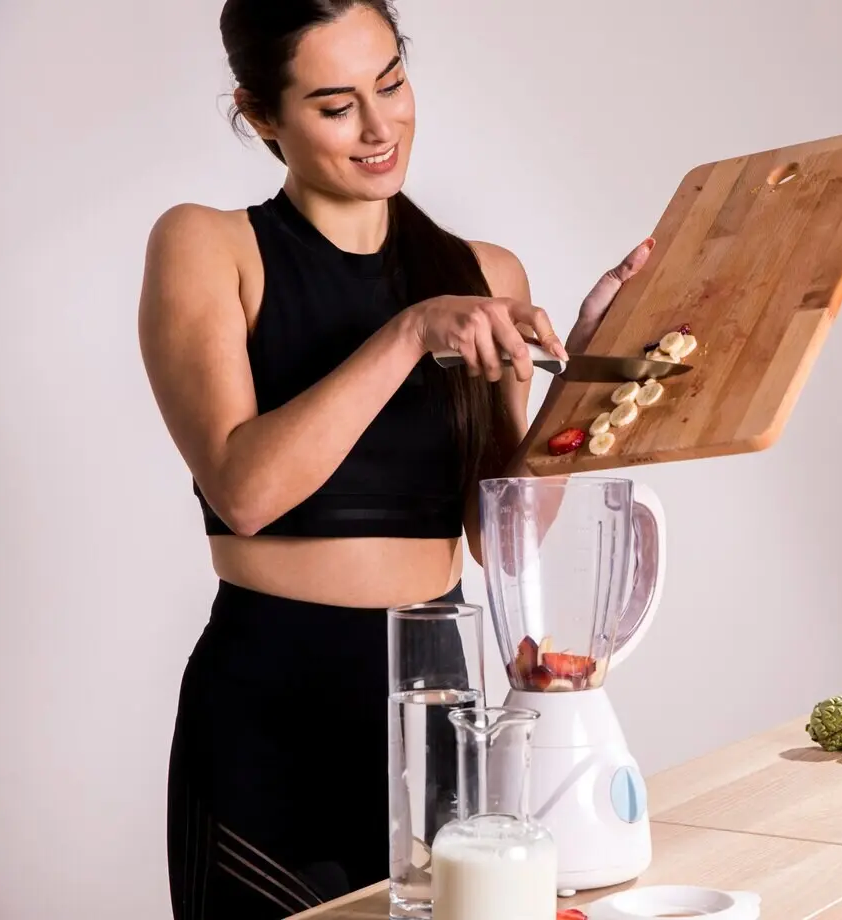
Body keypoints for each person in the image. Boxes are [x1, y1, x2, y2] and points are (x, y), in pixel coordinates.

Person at [137, 1, 652, 917]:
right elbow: (244, 491)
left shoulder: (484, 274)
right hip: (269, 709)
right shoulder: (209, 246)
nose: (381, 128)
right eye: (336, 106)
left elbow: (507, 543)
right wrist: (411, 332)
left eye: (393, 83)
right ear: (261, 116)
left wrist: (583, 377)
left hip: (440, 692)